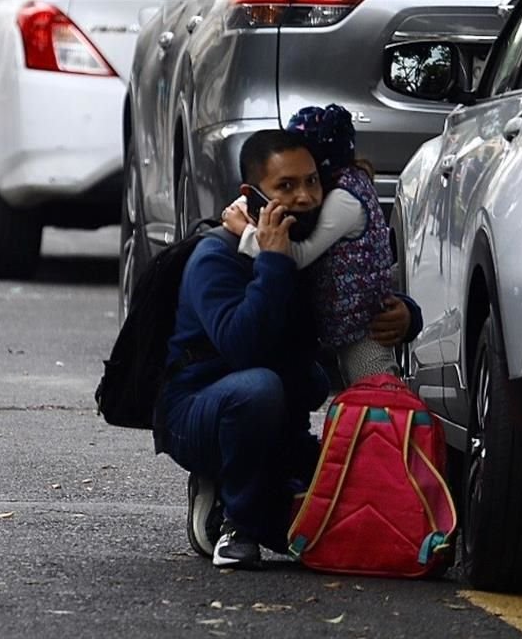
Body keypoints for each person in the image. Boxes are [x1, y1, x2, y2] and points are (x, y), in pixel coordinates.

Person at [156, 129, 422, 570]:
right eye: (285, 186)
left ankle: (256, 488)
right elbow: (245, 347)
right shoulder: (216, 258)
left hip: (277, 421)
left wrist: (406, 316)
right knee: (258, 388)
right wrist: (273, 263)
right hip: (200, 411)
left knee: (349, 493)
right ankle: (235, 521)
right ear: (252, 195)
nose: (304, 197)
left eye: (312, 182)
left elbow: (349, 297)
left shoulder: (304, 250)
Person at [222, 104, 397, 385]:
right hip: (340, 323)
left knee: (378, 397)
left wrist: (244, 233)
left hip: (364, 329)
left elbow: (297, 256)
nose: (303, 195)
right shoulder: (343, 185)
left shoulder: (344, 197)